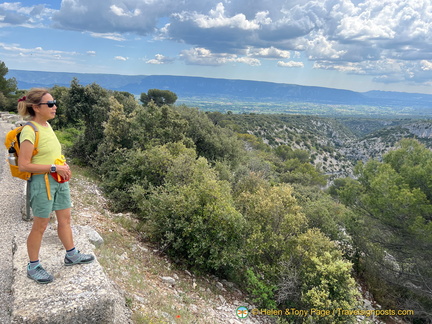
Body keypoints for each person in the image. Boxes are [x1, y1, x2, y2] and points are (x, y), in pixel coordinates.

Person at [17, 88, 94, 284]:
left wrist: (63, 166)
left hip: (58, 181)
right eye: (50, 104)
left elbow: (50, 154)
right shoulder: (29, 130)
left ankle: (71, 255)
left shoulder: (47, 126)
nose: (54, 107)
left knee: (65, 219)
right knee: (41, 225)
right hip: (43, 184)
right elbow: (24, 164)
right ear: (36, 107)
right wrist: (54, 167)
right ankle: (33, 266)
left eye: (54, 102)